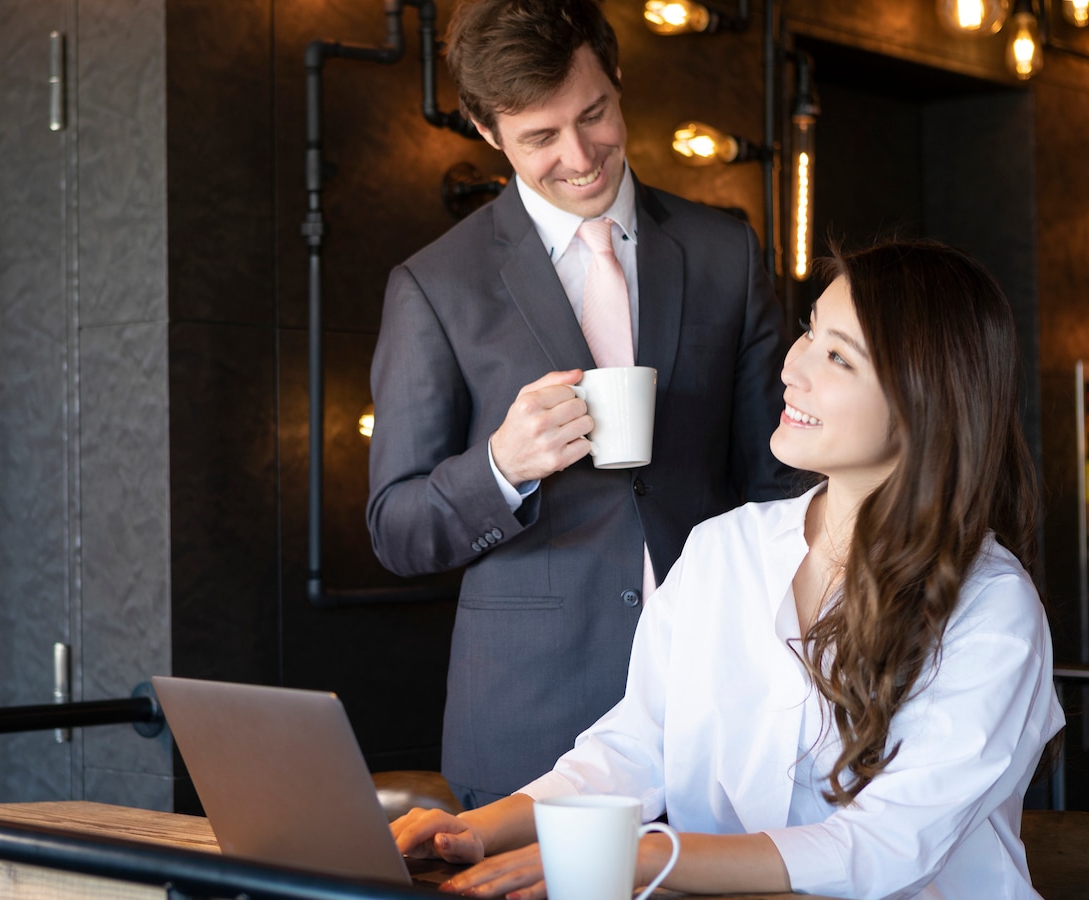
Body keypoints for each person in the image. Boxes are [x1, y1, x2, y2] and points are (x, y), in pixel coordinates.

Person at [390, 239, 1067, 899]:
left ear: (927, 400)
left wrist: (652, 855)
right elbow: (635, 747)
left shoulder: (989, 604)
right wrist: (479, 828)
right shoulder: (725, 547)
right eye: (808, 332)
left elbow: (885, 845)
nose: (791, 368)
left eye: (837, 357)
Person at [366, 0, 792, 809]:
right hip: (530, 713)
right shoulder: (434, 285)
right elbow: (395, 527)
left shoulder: (723, 251)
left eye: (593, 114)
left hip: (718, 702)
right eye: (538, 138)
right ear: (488, 133)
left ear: (617, 78)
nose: (579, 156)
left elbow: (778, 480)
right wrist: (500, 468)